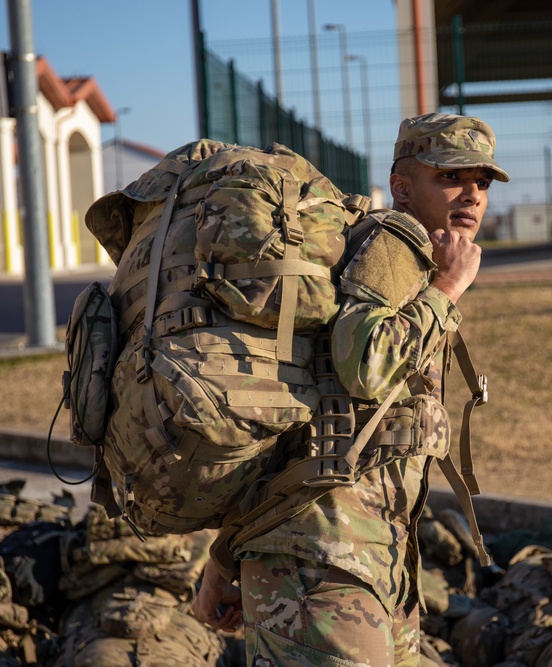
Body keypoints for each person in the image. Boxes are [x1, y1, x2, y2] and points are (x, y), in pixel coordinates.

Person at [192, 112, 509, 666]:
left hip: (362, 559)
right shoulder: (396, 241)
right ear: (403, 188)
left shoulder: (412, 255)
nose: (471, 195)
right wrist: (450, 287)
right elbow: (364, 362)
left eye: (481, 182)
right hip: (322, 567)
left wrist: (223, 558)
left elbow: (316, 428)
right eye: (449, 177)